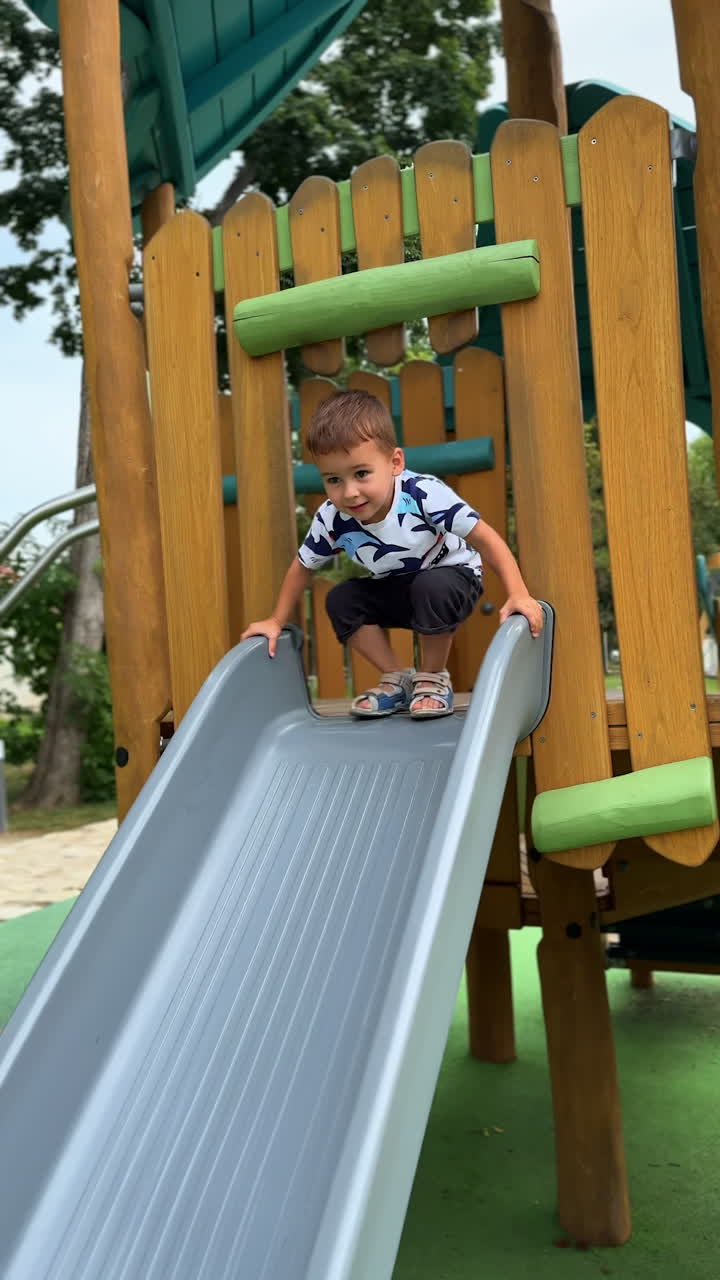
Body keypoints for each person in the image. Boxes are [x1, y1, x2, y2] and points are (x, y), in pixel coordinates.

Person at [241, 389, 543, 718]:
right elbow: (302, 566)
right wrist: (275, 620)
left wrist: (519, 593)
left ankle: (432, 678)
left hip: (454, 579)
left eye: (361, 474)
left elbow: (487, 540)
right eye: (333, 479)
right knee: (341, 600)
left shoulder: (422, 494)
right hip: (397, 587)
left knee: (431, 586)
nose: (349, 492)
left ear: (395, 462)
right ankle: (399, 678)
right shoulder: (332, 518)